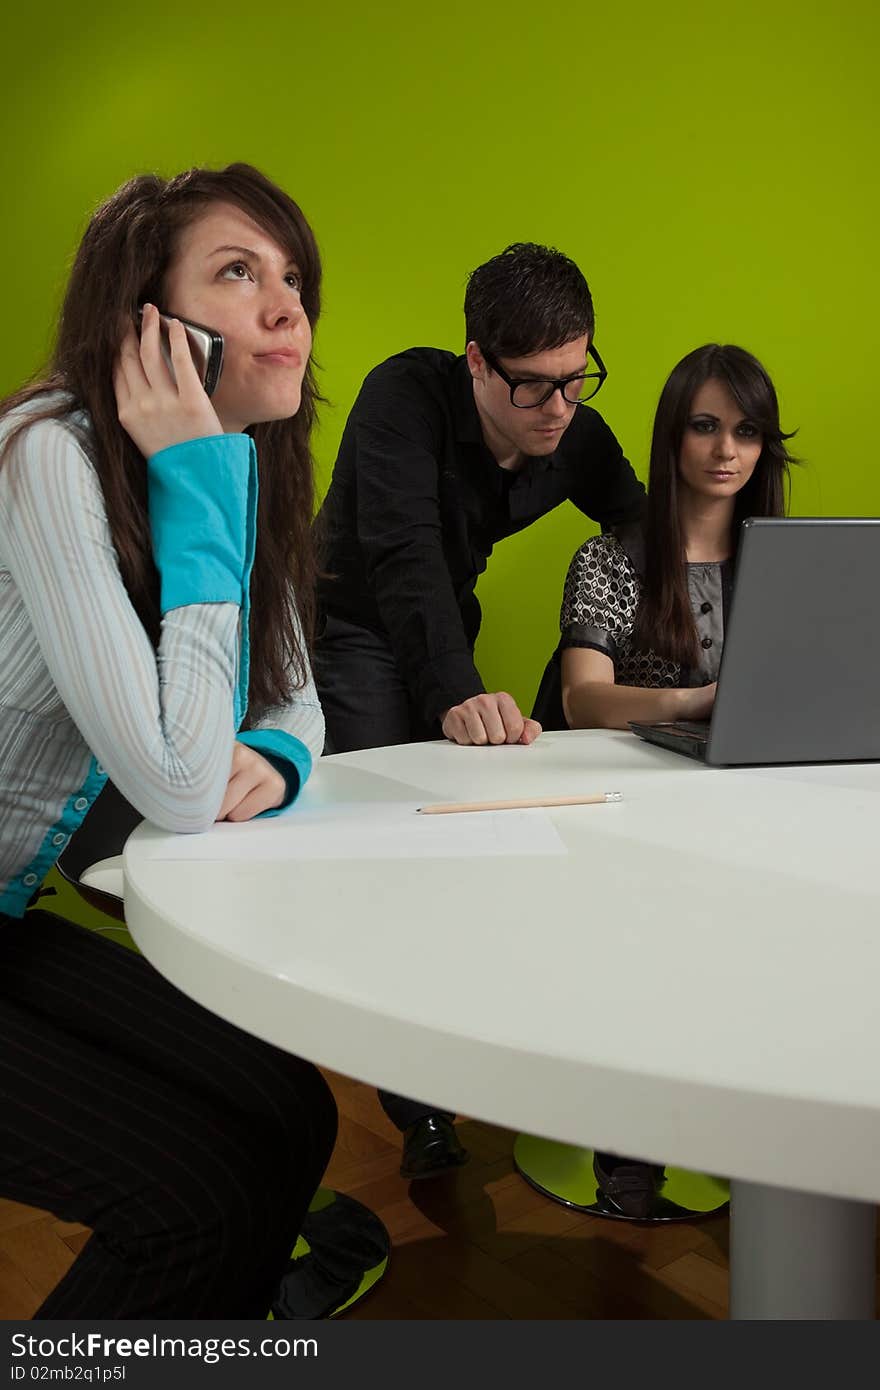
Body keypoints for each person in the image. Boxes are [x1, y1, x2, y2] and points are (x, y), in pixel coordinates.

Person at [0, 163, 339, 1315]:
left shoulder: (235, 470)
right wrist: (198, 478)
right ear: (144, 318)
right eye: (240, 274)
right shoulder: (49, 454)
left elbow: (295, 696)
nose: (288, 307)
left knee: (294, 1106)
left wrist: (282, 755)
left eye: (292, 278)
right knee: (195, 1199)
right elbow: (182, 789)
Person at [313, 242, 646, 1178]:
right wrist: (458, 697)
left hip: (444, 618)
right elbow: (405, 563)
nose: (558, 409)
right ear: (474, 362)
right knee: (393, 836)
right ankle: (417, 1106)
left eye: (576, 380)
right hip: (351, 624)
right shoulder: (400, 400)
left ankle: (499, 1043)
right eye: (532, 387)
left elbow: (647, 528)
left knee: (498, 825)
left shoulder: (576, 429)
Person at [559, 342, 796, 1216]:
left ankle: (752, 1124)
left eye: (745, 430)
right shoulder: (611, 559)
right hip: (636, 805)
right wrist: (698, 702)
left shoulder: (791, 565)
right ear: (672, 437)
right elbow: (582, 700)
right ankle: (628, 1149)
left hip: (759, 801)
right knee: (654, 938)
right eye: (705, 426)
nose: (726, 449)